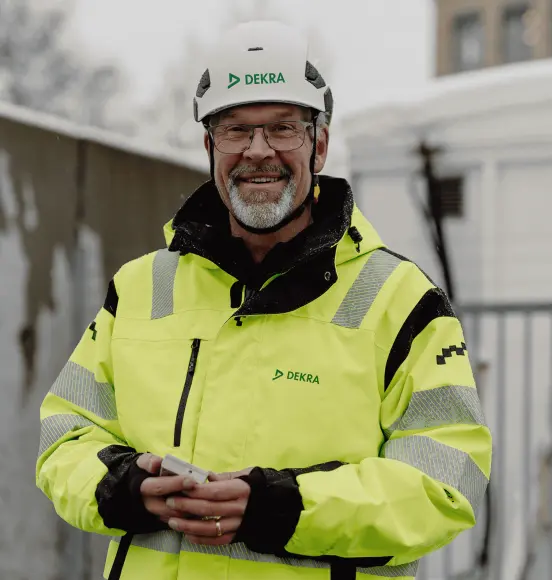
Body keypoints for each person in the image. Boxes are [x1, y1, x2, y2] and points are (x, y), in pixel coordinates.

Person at [36, 20, 492, 580]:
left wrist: (283, 506)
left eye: (283, 129)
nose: (258, 152)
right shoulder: (138, 288)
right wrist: (127, 486)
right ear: (209, 146)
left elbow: (446, 480)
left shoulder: (403, 303)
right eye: (234, 130)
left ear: (319, 144)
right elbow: (65, 436)